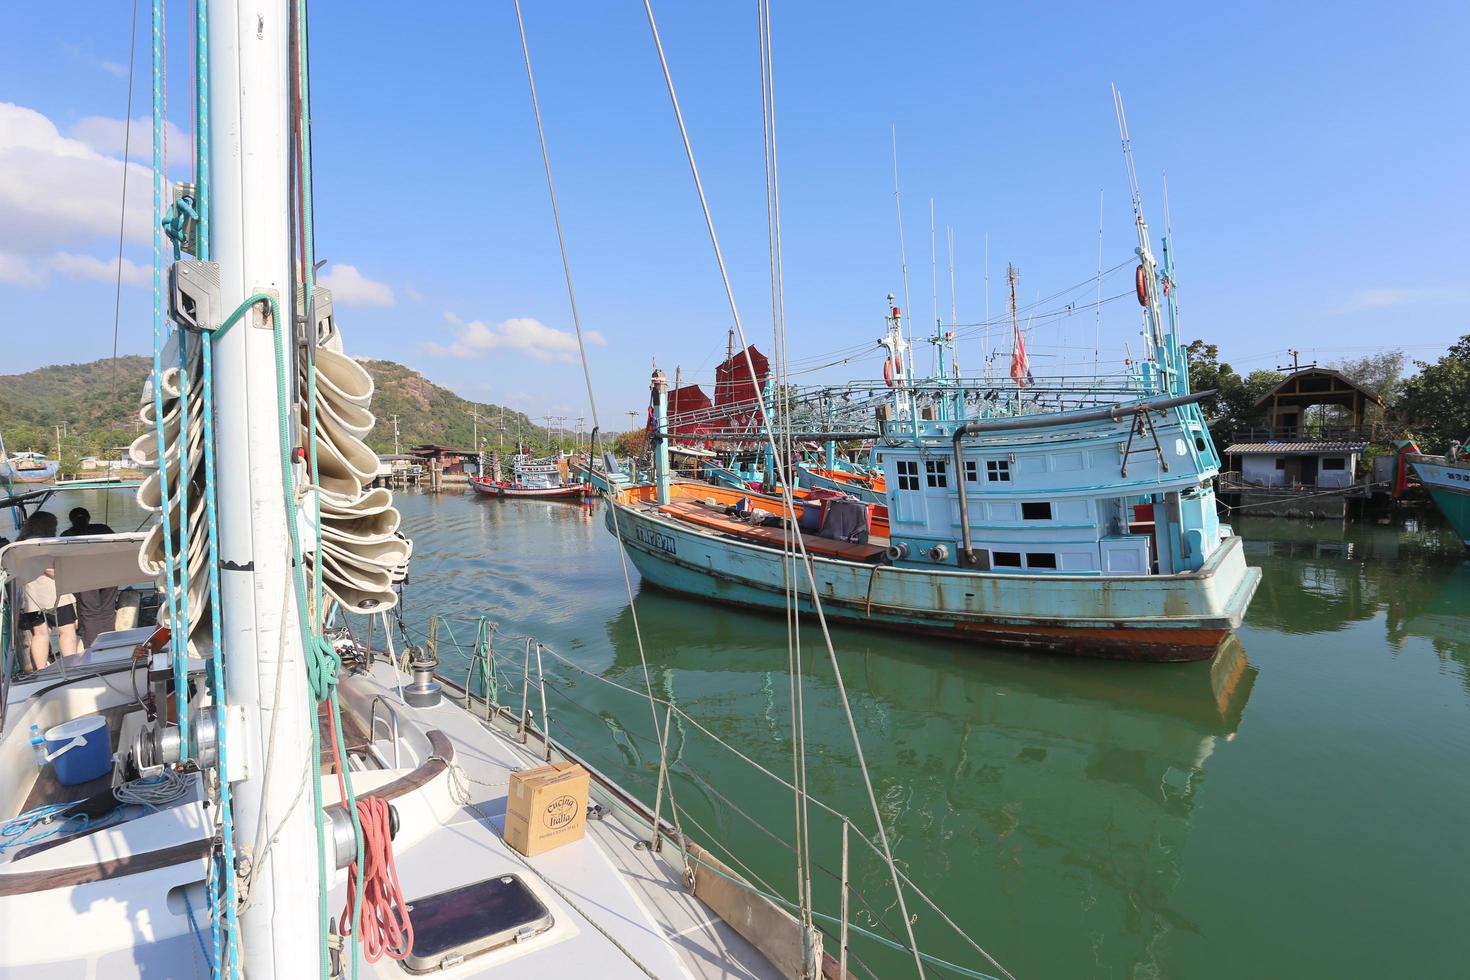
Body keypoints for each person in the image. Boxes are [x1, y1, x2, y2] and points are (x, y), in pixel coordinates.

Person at [17, 512, 77, 669]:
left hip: (31, 597)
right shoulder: (44, 544)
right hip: (55, 594)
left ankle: (41, 669)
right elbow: (50, 569)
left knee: (41, 633)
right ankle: (71, 667)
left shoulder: (20, 544)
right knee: (67, 631)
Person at [61, 507, 118, 648]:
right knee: (108, 610)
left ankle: (94, 648)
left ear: (71, 520)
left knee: (90, 613)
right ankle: (110, 644)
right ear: (88, 518)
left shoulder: (66, 534)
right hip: (110, 574)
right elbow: (116, 547)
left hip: (84, 577)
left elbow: (63, 559)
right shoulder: (103, 528)